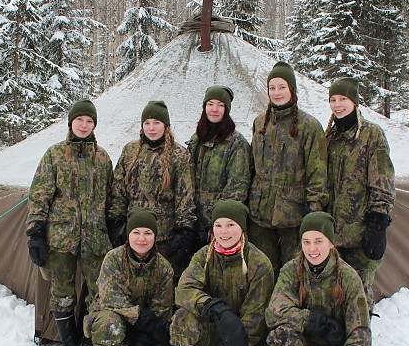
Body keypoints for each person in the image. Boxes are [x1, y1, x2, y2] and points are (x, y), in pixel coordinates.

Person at [161, 200, 274, 346]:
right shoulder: (204, 256)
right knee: (183, 318)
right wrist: (211, 307)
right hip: (215, 328)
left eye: (231, 225)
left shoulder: (259, 264)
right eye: (218, 225)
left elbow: (256, 319)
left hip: (246, 339)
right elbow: (184, 290)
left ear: (242, 228)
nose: (224, 232)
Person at [265, 212, 371, 346]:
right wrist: (311, 320)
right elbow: (275, 312)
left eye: (319, 241)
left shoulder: (349, 278)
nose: (312, 249)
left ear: (331, 243)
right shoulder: (292, 271)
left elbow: (360, 329)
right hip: (303, 343)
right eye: (306, 242)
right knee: (281, 336)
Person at [26, 99, 112, 346]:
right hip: (61, 238)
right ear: (71, 122)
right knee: (62, 292)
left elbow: (111, 198)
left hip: (95, 238)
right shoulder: (54, 155)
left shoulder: (102, 158)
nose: (84, 125)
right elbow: (39, 196)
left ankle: (89, 341)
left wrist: (116, 228)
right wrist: (35, 233)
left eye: (89, 121)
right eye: (79, 120)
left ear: (94, 124)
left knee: (99, 292)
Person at [248, 61, 329, 277]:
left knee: (295, 274)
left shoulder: (309, 126)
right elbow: (252, 168)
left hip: (294, 218)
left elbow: (318, 173)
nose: (277, 93)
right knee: (264, 273)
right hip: (260, 217)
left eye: (282, 87)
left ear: (292, 89)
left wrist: (314, 212)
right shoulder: (260, 124)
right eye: (272, 88)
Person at [325, 77, 395, 304]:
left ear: (354, 102)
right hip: (332, 235)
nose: (337, 105)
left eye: (343, 99)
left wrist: (377, 225)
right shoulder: (329, 137)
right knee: (333, 295)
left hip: (360, 233)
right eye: (333, 100)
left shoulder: (371, 135)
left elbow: (382, 181)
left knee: (358, 296)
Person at [109, 100, 197, 279]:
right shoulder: (130, 151)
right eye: (147, 123)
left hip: (165, 236)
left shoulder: (179, 155)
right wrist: (116, 223)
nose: (151, 128)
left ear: (166, 126)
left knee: (164, 282)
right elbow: (118, 190)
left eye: (157, 123)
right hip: (134, 234)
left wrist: (184, 231)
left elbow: (185, 197)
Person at [86, 208, 174, 346]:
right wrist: (141, 315)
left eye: (148, 233)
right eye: (136, 232)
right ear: (128, 235)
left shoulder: (164, 268)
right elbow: (112, 300)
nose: (142, 239)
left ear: (155, 236)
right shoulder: (113, 259)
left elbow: (161, 311)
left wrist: (140, 345)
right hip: (114, 317)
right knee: (109, 324)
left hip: (143, 329)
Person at [187, 85, 251, 244]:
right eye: (210, 104)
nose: (214, 109)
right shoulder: (196, 139)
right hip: (193, 224)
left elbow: (237, 189)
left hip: (219, 229)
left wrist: (219, 223)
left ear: (226, 110)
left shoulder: (237, 143)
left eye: (220, 105)